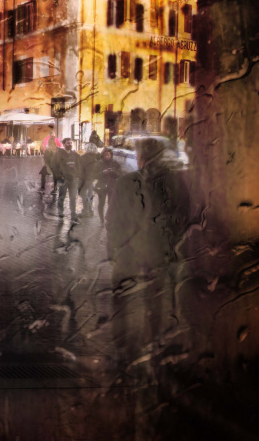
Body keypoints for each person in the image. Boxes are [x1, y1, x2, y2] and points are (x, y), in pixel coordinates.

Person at [105, 136, 190, 365]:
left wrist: (113, 250)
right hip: (159, 253)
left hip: (128, 254)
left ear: (141, 157)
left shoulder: (126, 183)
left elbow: (113, 221)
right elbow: (183, 219)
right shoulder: (175, 183)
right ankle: (154, 342)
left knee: (122, 296)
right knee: (156, 298)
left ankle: (123, 346)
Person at [53, 138, 80, 220]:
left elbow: (79, 165)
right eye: (68, 143)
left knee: (73, 197)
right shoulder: (58, 154)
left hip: (73, 179)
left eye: (71, 143)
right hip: (63, 179)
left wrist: (77, 174)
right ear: (64, 144)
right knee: (61, 196)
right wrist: (59, 176)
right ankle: (60, 212)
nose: (70, 144)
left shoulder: (75, 154)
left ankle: (73, 213)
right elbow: (54, 166)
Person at [93, 147, 123, 221]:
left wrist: (113, 172)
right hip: (101, 185)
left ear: (111, 155)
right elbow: (94, 175)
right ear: (102, 155)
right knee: (101, 203)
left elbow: (120, 174)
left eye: (108, 155)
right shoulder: (98, 163)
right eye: (105, 155)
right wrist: (103, 173)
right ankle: (101, 219)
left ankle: (109, 217)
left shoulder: (115, 163)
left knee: (111, 203)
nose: (107, 157)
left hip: (112, 185)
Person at [77, 143, 100, 216]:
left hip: (84, 178)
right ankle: (90, 210)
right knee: (90, 194)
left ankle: (86, 211)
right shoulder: (97, 157)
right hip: (92, 178)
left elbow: (79, 169)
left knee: (82, 193)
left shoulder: (82, 158)